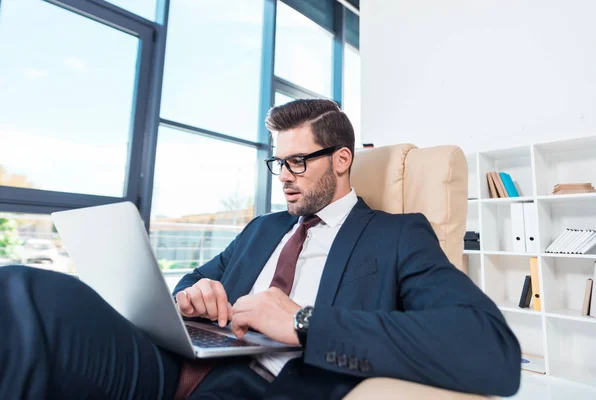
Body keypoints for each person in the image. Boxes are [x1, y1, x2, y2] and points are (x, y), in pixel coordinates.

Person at [0, 99, 521, 400]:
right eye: (280, 164)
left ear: (342, 160)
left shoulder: (398, 233)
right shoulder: (263, 227)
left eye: (299, 162)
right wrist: (192, 295)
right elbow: (192, 284)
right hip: (174, 364)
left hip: (265, 390)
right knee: (27, 292)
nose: (285, 179)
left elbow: (490, 350)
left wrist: (302, 321)